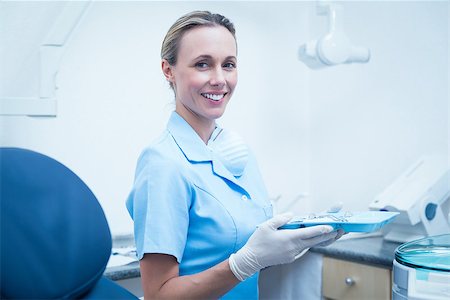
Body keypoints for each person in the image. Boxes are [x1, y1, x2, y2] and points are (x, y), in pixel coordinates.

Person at [126, 10, 344, 300]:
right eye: (202, 64)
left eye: (228, 65)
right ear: (168, 70)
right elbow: (158, 295)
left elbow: (252, 239)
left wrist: (303, 234)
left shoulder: (236, 154)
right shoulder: (163, 164)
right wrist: (243, 264)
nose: (219, 79)